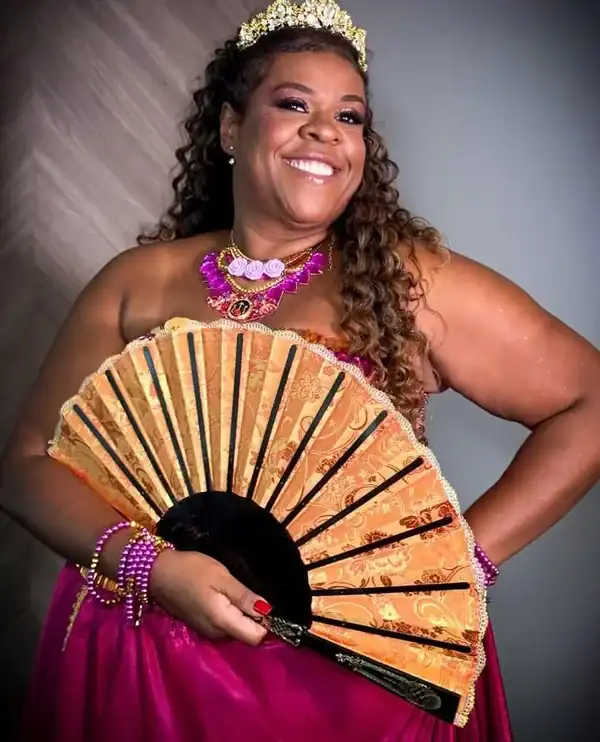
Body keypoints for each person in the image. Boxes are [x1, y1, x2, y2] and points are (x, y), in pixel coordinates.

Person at [2, 1, 600, 740]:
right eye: (293, 104)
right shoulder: (135, 281)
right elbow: (26, 464)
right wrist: (150, 567)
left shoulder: (407, 282)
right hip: (144, 666)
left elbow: (587, 399)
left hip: (344, 685)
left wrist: (457, 565)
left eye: (350, 116)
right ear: (231, 128)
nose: (325, 131)